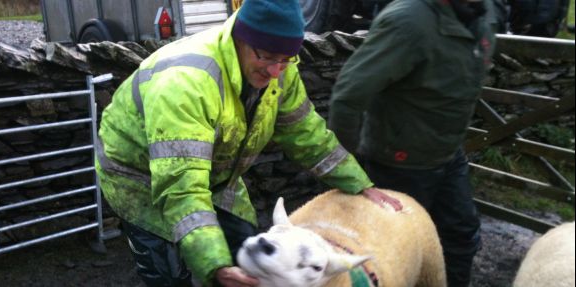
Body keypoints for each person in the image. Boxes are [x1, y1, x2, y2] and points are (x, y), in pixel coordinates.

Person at [94, 0, 402, 286]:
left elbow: (304, 131)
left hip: (216, 173)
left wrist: (359, 184)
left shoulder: (278, 66)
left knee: (247, 250)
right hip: (141, 179)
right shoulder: (185, 83)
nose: (274, 71)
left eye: (285, 59)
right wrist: (215, 266)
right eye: (266, 57)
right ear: (240, 38)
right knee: (171, 273)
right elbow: (182, 186)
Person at [328, 0, 498, 286]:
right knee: (392, 252)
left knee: (460, 235)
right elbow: (349, 96)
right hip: (397, 162)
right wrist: (349, 173)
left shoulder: (482, 14)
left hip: (448, 153)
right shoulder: (408, 21)